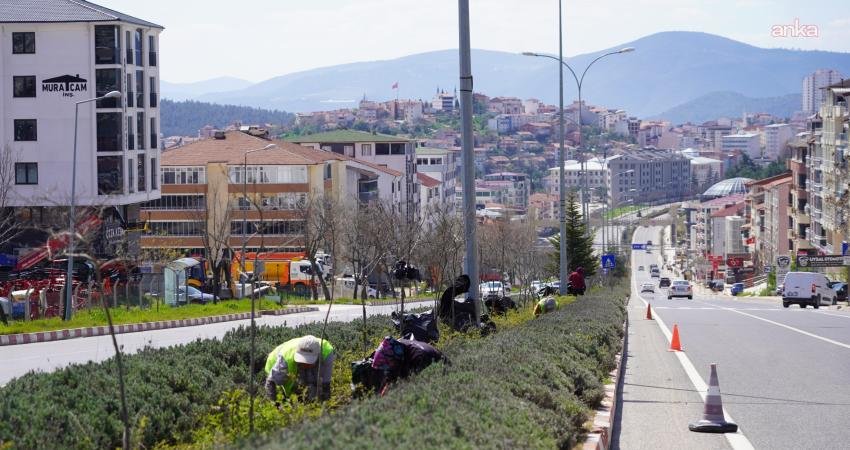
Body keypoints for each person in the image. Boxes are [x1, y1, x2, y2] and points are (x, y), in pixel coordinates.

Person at [264, 335, 335, 405]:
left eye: (308, 361)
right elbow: (271, 383)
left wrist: (325, 406)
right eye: (303, 360)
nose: (305, 364)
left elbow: (326, 384)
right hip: (274, 365)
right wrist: (274, 405)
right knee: (285, 398)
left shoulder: (327, 352)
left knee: (312, 385)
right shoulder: (286, 359)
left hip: (316, 361)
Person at [371, 336, 445, 392]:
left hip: (443, 380)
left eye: (388, 365)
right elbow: (391, 379)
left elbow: (414, 386)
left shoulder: (419, 357)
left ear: (394, 358)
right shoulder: (398, 346)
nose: (388, 368)